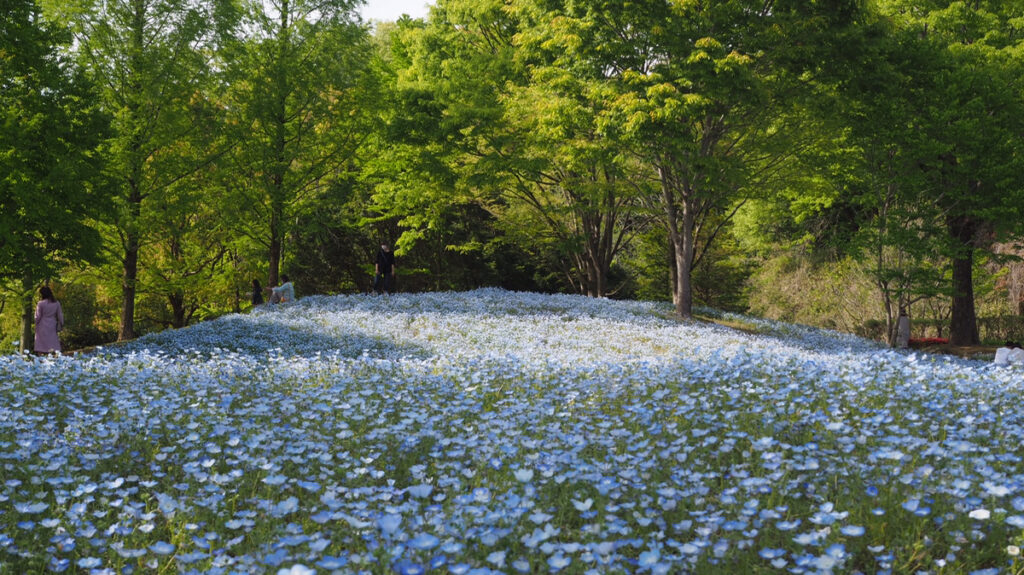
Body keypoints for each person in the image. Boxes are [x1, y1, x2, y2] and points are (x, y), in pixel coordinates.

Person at [34, 286, 64, 355]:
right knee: (52, 341)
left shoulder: (40, 303)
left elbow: (37, 317)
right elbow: (60, 315)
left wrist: (36, 324)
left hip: (42, 324)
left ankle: (41, 360)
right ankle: (53, 358)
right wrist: (61, 323)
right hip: (52, 324)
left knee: (41, 344)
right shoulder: (56, 303)